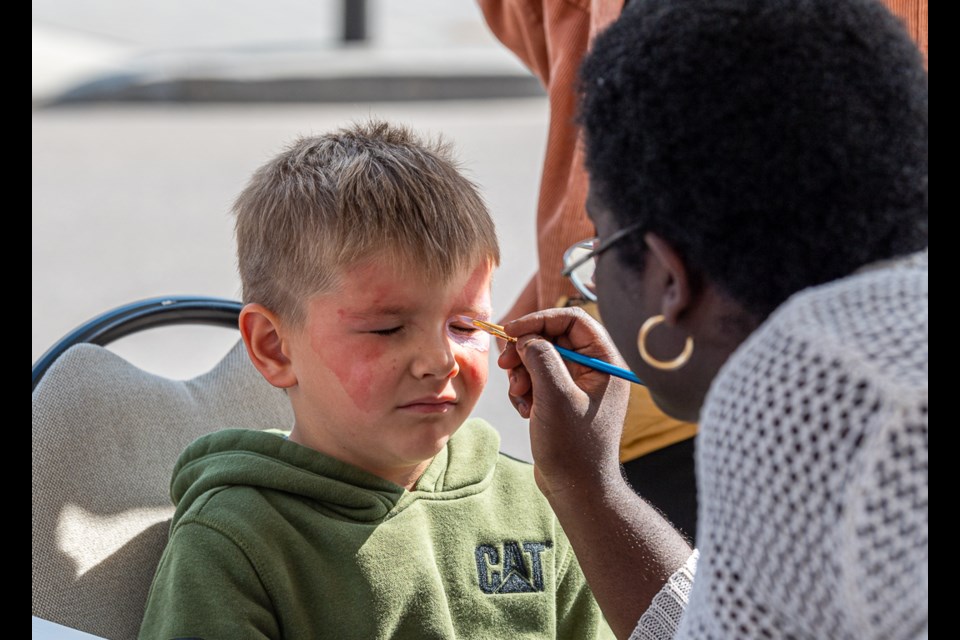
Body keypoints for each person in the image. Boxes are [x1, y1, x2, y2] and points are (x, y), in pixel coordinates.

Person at [497, 0, 928, 638]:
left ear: (671, 280)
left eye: (598, 251)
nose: (589, 281)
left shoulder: (802, 387)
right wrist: (588, 485)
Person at [138, 120, 614, 639]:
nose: (440, 360)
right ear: (274, 347)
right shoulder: (235, 538)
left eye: (464, 326)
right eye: (387, 328)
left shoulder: (537, 501)